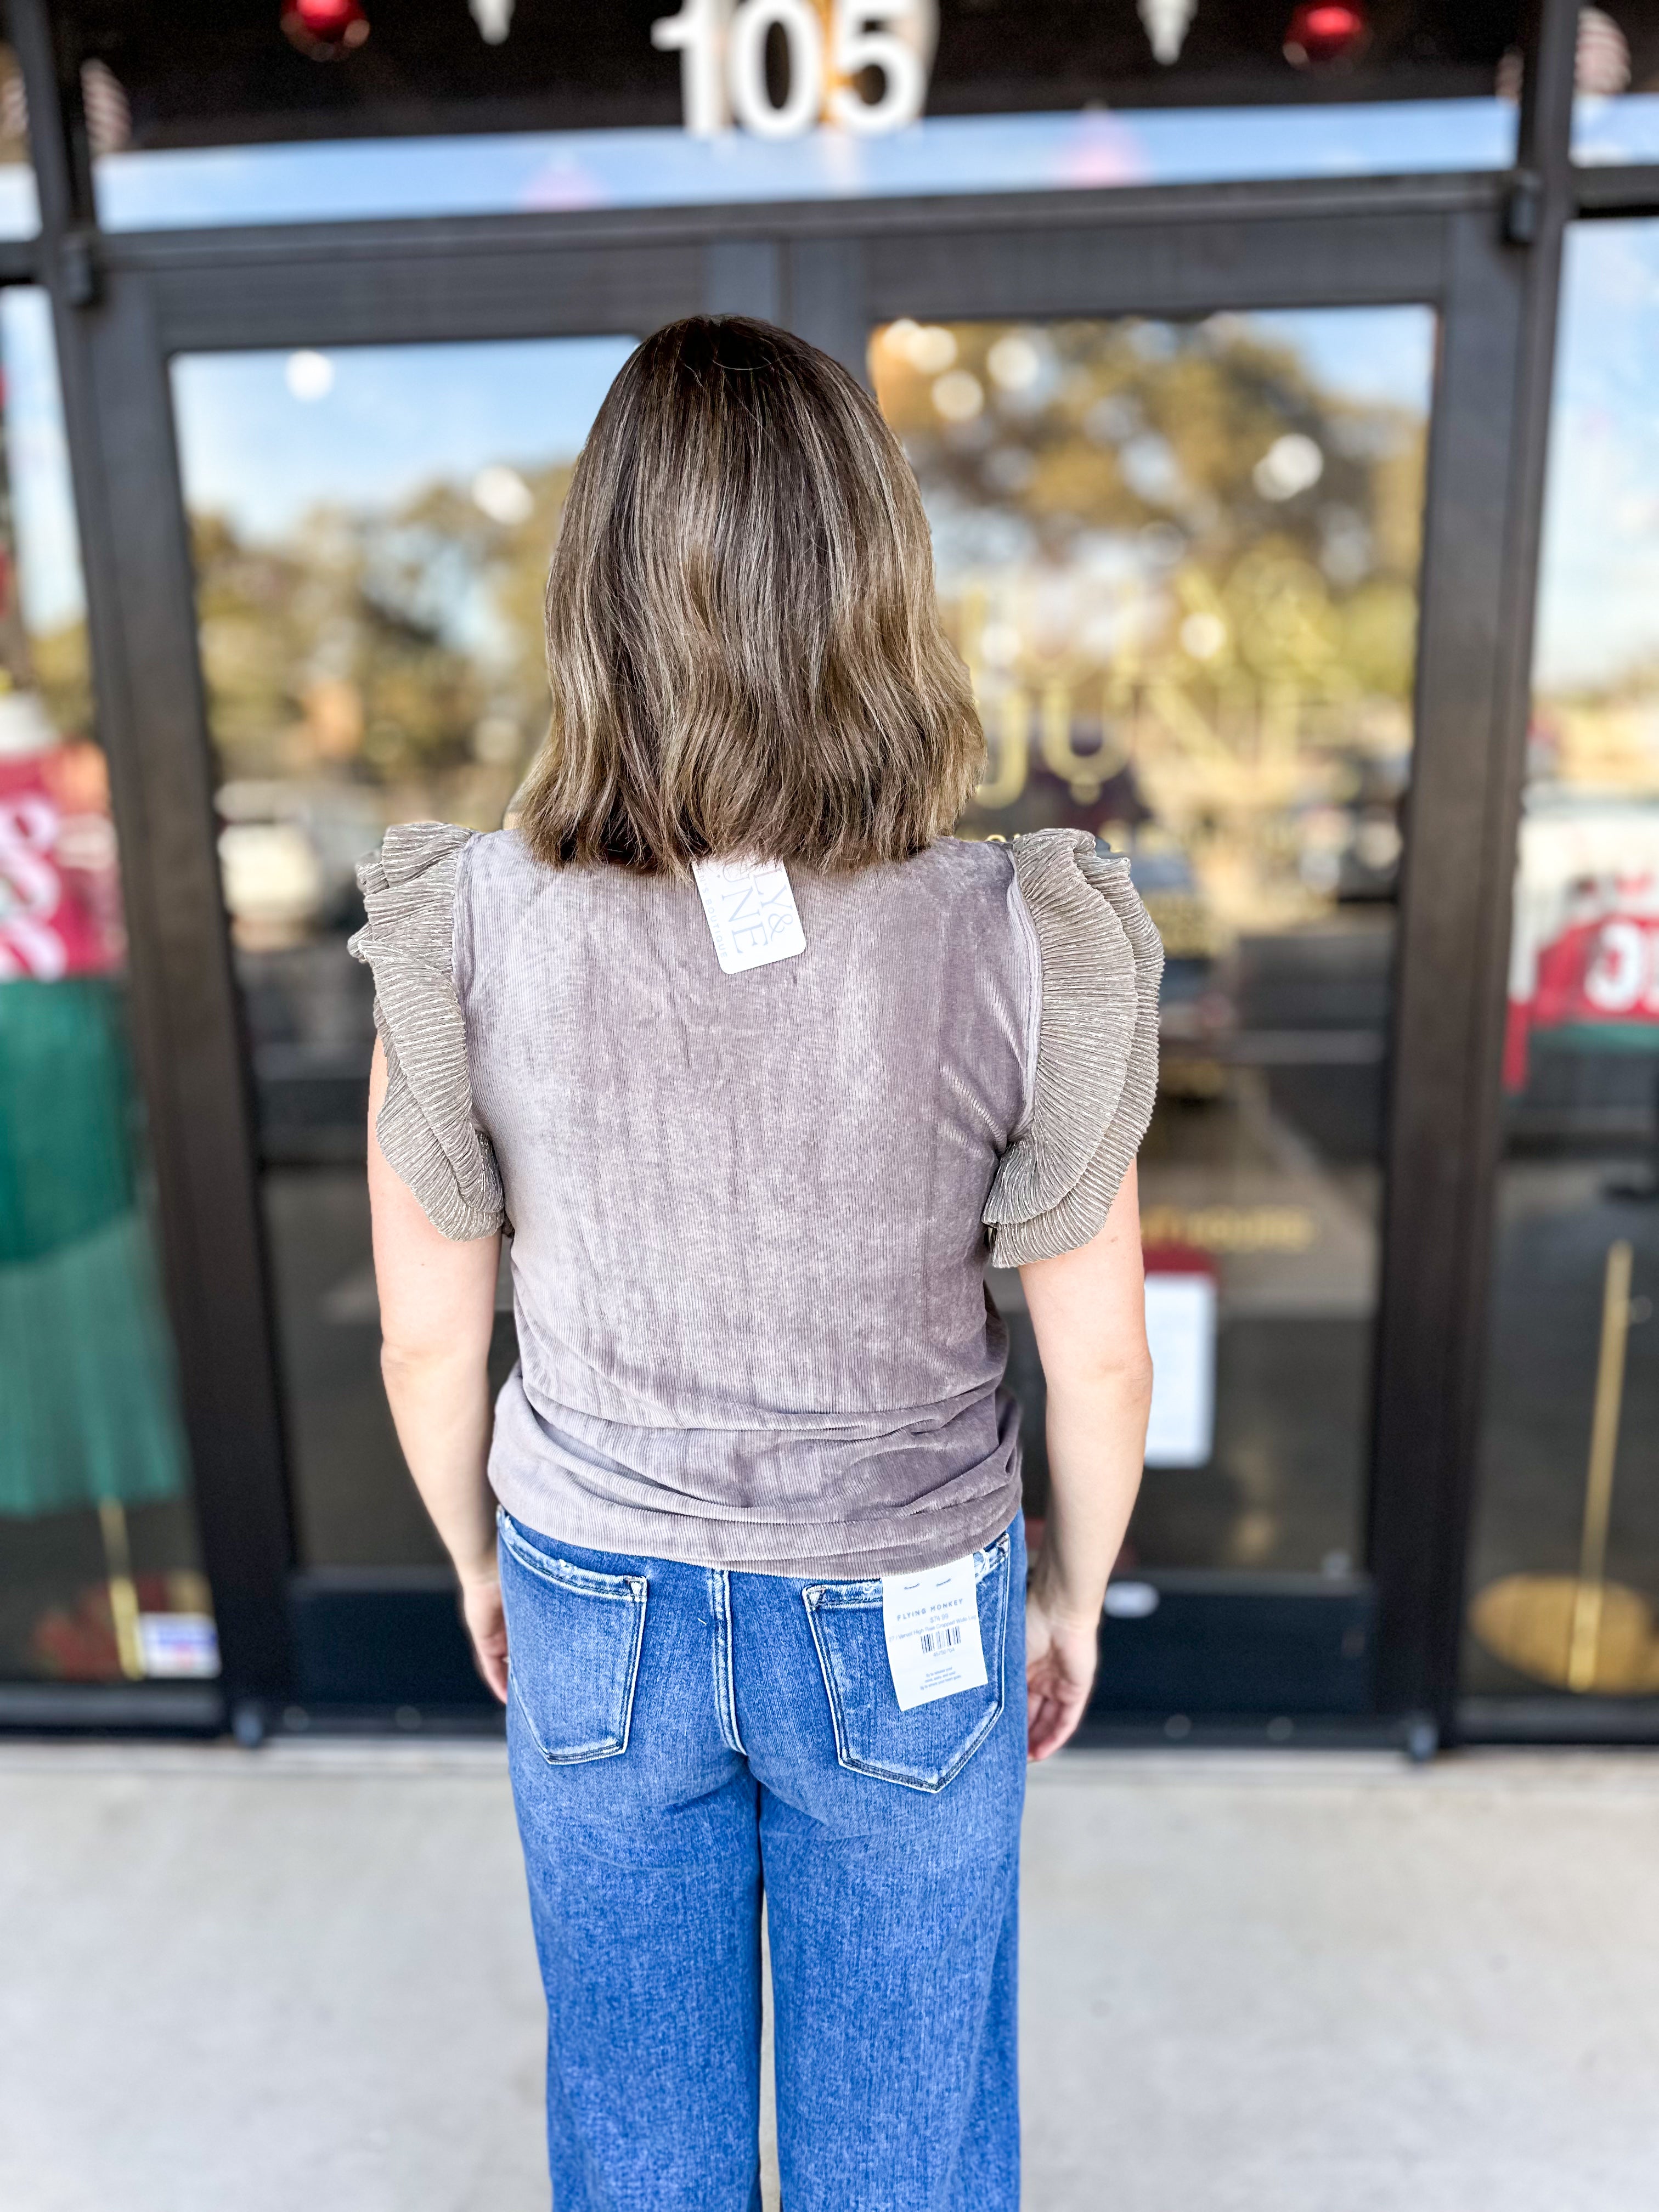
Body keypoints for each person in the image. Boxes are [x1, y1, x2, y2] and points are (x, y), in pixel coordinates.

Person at [353, 315, 1159, 2211]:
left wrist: (483, 1563)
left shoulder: (461, 931)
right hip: (910, 1603)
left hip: (592, 1591)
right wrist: (1078, 1597)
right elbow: (1103, 1366)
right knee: (911, 2148)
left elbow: (422, 1340)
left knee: (636, 2138)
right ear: (875, 581)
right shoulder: (1019, 934)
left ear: (594, 600)